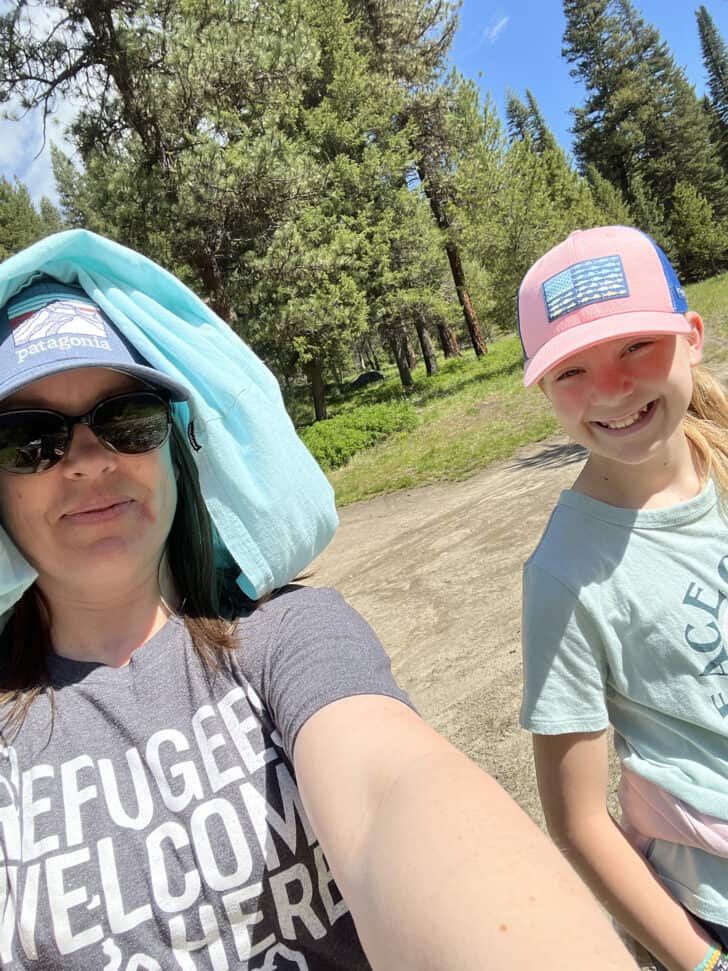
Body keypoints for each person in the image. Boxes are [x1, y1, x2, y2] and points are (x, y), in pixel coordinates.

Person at [0, 230, 636, 971]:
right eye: (28, 440)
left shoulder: (290, 638)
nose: (87, 460)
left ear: (172, 447)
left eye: (126, 418)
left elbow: (392, 791)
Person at [518, 224, 728, 971]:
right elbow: (577, 820)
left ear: (692, 336)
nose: (610, 388)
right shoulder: (564, 575)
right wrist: (700, 962)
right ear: (544, 389)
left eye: (636, 346)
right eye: (571, 370)